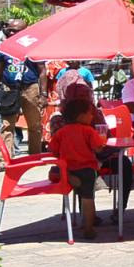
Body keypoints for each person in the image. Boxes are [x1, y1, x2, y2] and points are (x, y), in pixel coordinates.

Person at [49, 99, 107, 239]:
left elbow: (53, 150)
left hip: (68, 168)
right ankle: (88, 228)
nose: (92, 116)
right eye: (89, 114)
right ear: (80, 116)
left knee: (79, 191)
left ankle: (69, 178)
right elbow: (98, 148)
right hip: (87, 169)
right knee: (88, 198)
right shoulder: (88, 131)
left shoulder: (61, 132)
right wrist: (102, 144)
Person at [0, 22, 47, 156]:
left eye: (15, 31)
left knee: (34, 125)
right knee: (7, 125)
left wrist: (43, 94)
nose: (11, 33)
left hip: (30, 88)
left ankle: (34, 155)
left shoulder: (34, 47)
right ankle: (5, 159)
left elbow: (42, 71)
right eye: (9, 30)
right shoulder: (5, 48)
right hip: (9, 88)